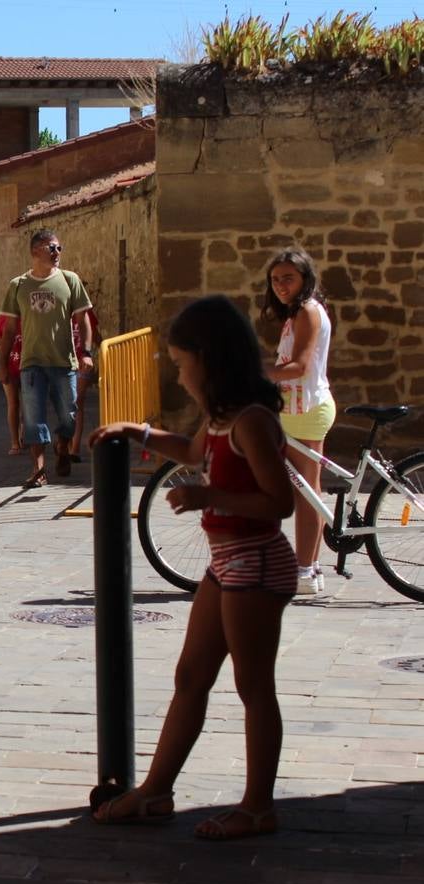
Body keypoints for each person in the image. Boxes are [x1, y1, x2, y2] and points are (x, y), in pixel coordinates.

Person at [89, 294, 295, 841]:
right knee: (190, 678)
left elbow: (280, 503)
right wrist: (137, 431)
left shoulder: (252, 421)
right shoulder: (221, 417)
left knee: (254, 687)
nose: (179, 376)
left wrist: (212, 498)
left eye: (182, 364)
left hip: (255, 564)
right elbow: (190, 449)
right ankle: (155, 792)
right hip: (227, 564)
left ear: (209, 358)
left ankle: (257, 807)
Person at [262, 248, 334, 595]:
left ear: (305, 278)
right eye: (275, 279)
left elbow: (301, 366)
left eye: (288, 278)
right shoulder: (298, 312)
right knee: (309, 491)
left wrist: (255, 373)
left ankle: (304, 571)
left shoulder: (307, 311)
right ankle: (311, 568)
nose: (280, 285)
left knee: (306, 494)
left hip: (305, 410)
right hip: (297, 407)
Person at [0, 230, 93, 486]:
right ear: (35, 251)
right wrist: (2, 364)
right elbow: (7, 330)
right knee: (33, 418)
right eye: (52, 248)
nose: (57, 253)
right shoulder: (18, 285)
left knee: (69, 417)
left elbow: (84, 322)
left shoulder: (70, 280)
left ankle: (62, 445)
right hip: (31, 364)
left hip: (64, 362)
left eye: (59, 248)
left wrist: (87, 353)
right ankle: (38, 472)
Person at [69, 306, 102, 462]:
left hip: (82, 362)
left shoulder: (85, 311)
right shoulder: (57, 309)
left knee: (77, 402)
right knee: (67, 404)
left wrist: (105, 350)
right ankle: (66, 443)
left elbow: (95, 334)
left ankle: (74, 449)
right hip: (64, 363)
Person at [0, 314, 24, 455]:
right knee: (13, 403)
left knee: (29, 404)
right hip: (9, 365)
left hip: (28, 365)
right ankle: (15, 442)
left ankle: (24, 434)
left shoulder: (32, 315)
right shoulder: (4, 318)